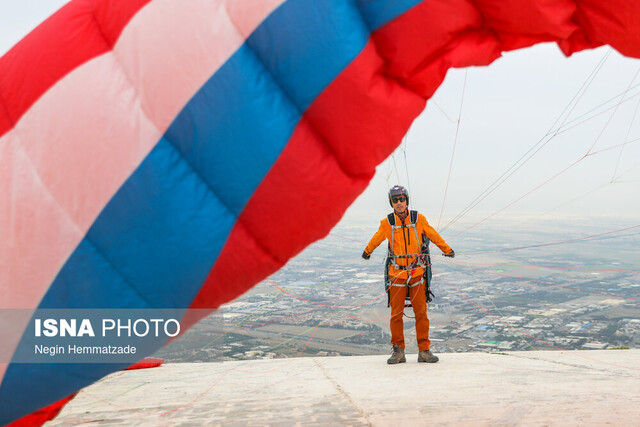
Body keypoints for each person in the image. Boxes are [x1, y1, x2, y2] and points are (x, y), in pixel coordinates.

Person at [362, 185, 455, 364]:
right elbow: (377, 238)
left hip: (417, 273)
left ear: (407, 201)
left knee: (421, 312)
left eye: (402, 199)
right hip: (396, 274)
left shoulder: (418, 219)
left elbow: (432, 234)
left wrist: (446, 249)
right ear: (392, 202)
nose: (399, 203)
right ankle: (398, 351)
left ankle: (424, 351)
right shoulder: (387, 222)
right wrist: (367, 251)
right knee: (396, 314)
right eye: (395, 200)